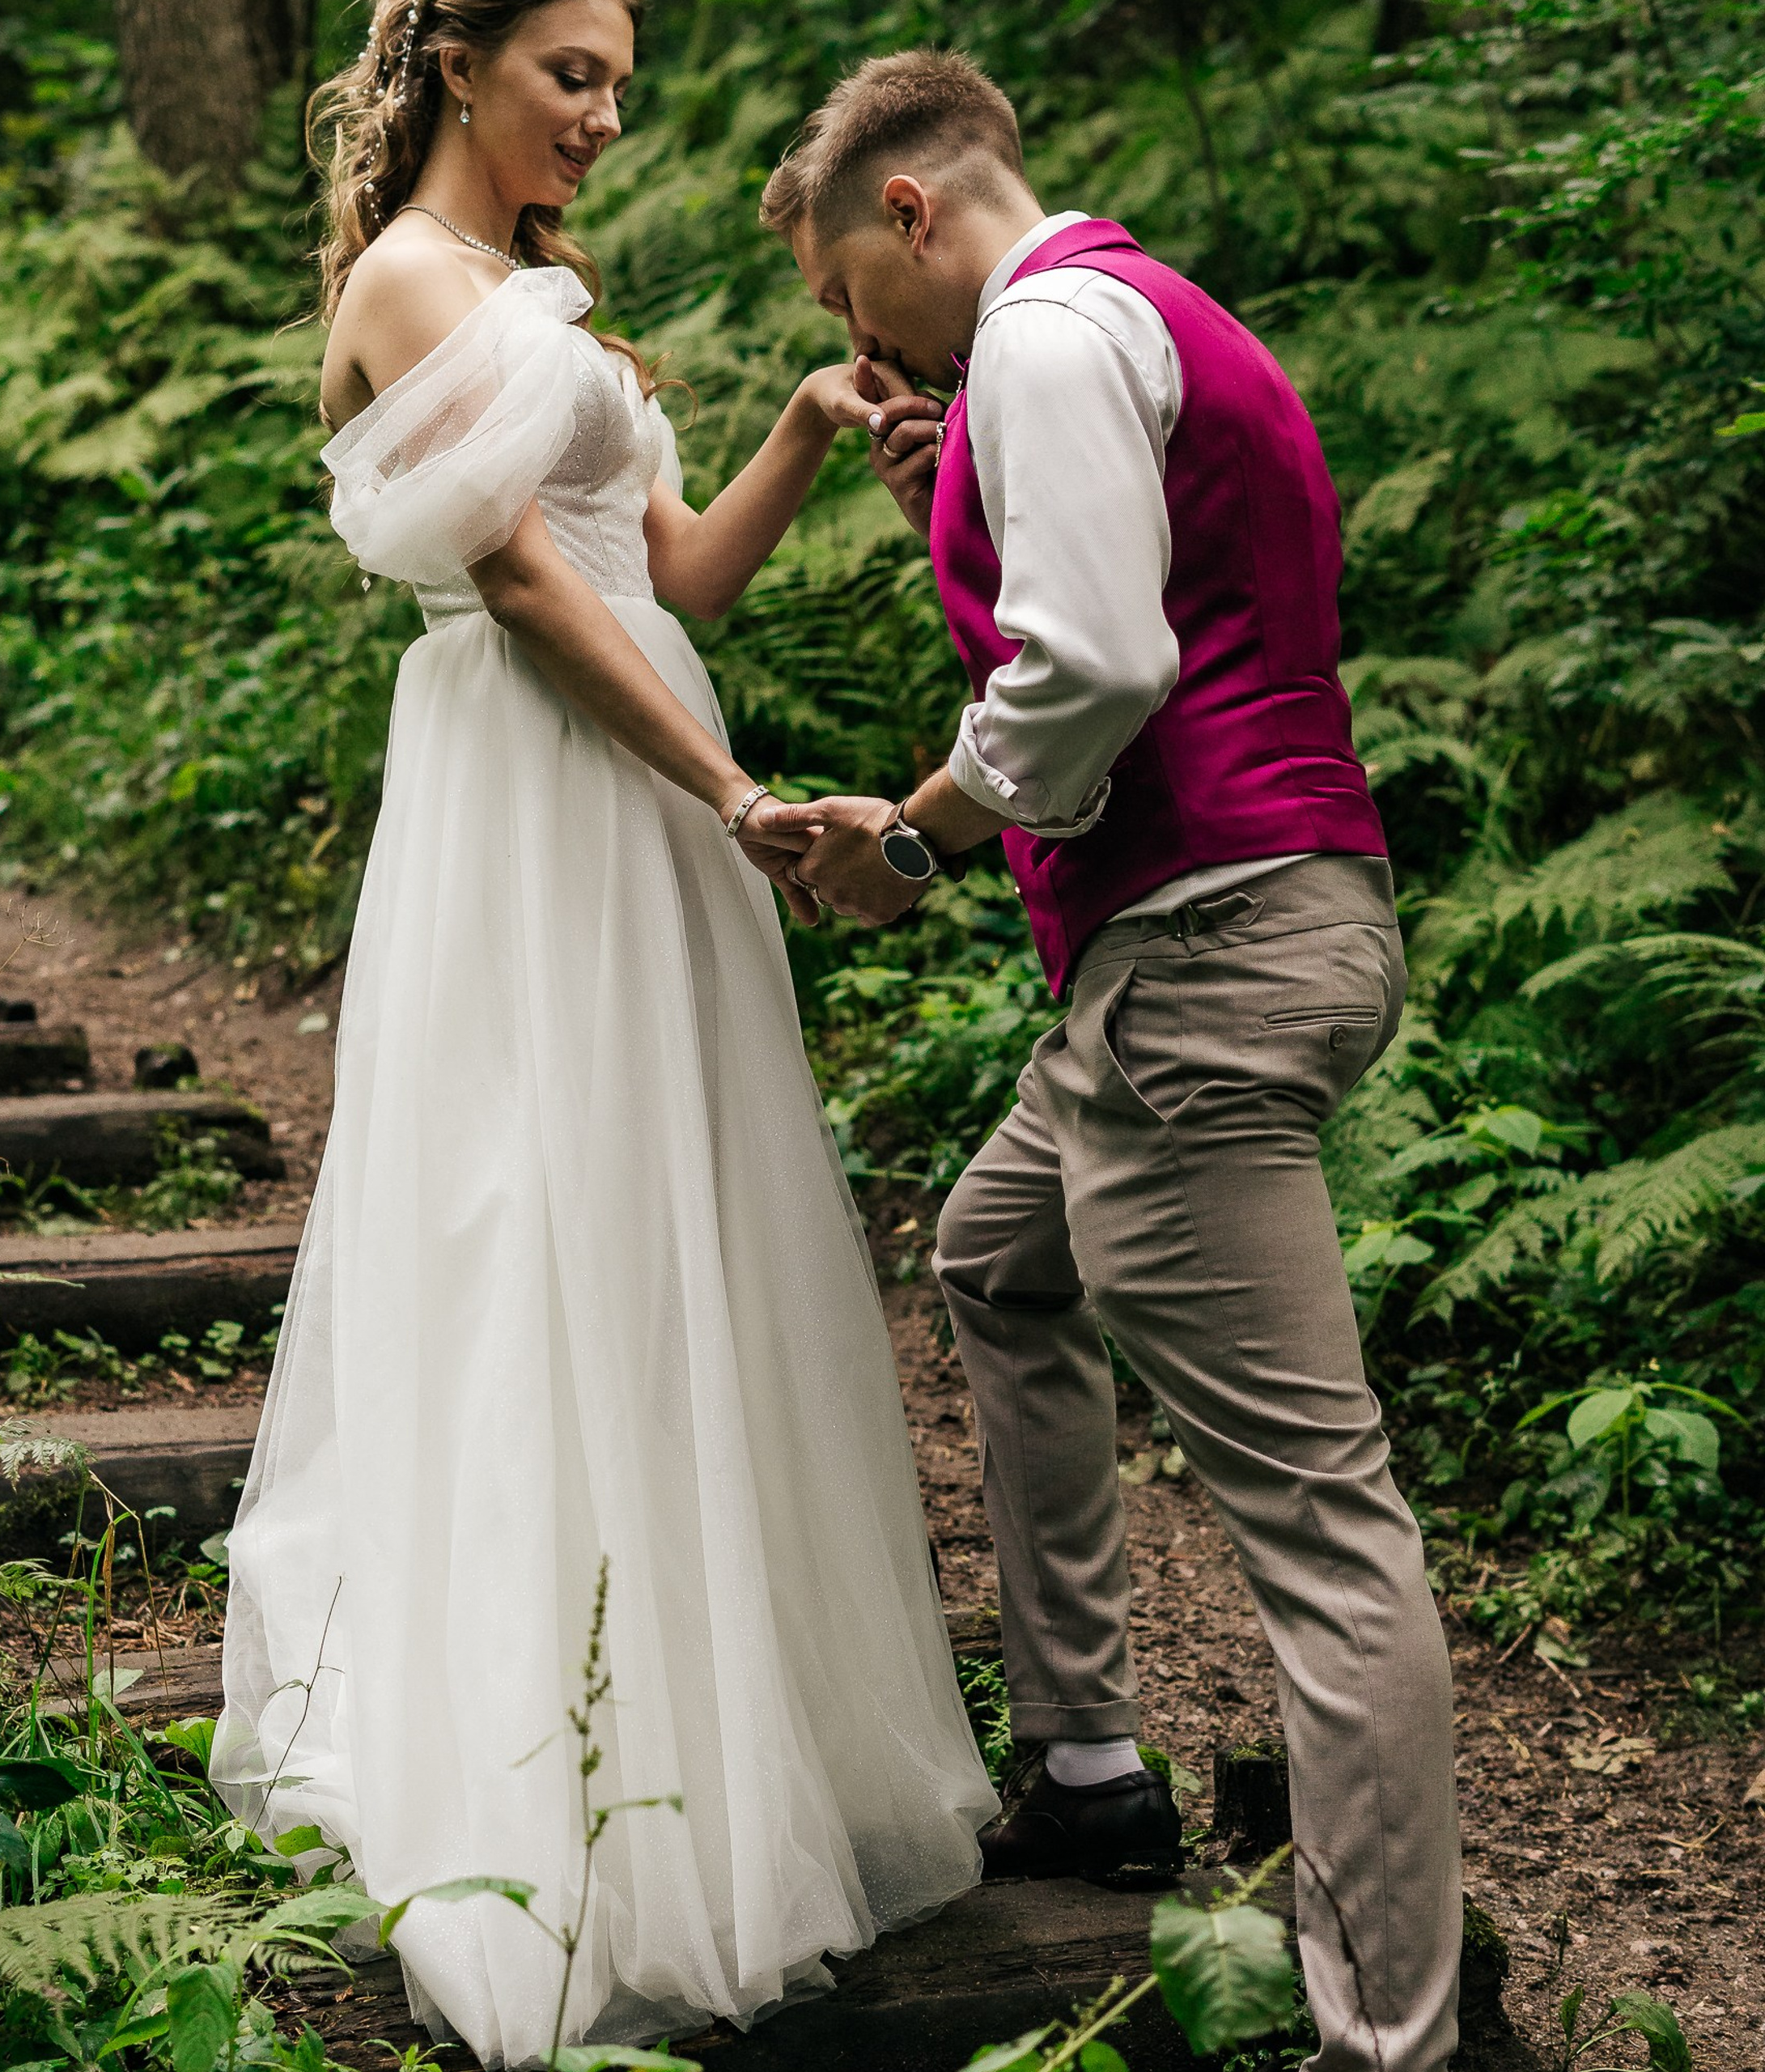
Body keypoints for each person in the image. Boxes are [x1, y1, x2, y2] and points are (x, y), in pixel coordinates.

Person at [209, 6, 998, 2065]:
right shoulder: (404, 275)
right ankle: (542, 1772)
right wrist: (730, 804)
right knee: (522, 1213)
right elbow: (527, 598)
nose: (605, 111)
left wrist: (810, 427)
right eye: (571, 69)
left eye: (620, 79)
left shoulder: (551, 295)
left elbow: (668, 581)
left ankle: (716, 1722)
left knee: (671, 1229)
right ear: (457, 62)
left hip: (648, 776)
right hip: (544, 788)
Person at [758, 49, 1463, 2072]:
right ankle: (1083, 1756)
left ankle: (1380, 2039)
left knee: (1320, 1525)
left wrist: (903, 842)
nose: (860, 346)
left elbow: (1094, 670)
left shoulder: (1048, 335)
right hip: (1250, 929)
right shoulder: (1130, 320)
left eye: (842, 301)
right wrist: (948, 511)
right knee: (995, 1252)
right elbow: (1115, 605)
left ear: (905, 218)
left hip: (1199, 961)